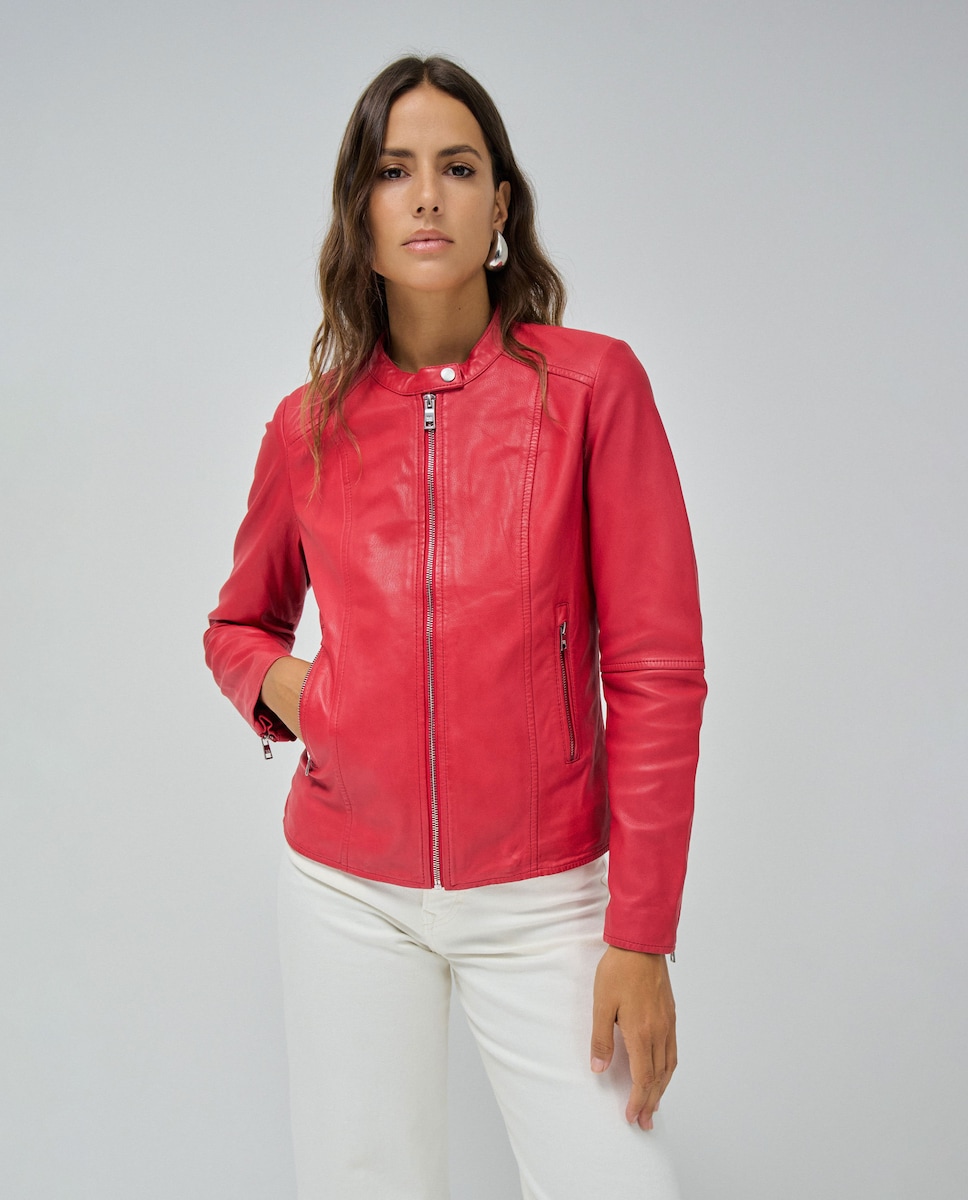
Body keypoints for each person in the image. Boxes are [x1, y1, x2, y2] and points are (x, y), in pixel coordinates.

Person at [204, 53, 706, 1200]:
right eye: (393, 171)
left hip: (546, 897)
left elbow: (656, 671)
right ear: (360, 212)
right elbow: (238, 625)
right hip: (345, 890)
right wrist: (305, 694)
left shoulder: (590, 391)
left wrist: (640, 933)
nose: (425, 195)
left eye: (457, 167)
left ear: (499, 206)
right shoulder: (306, 428)